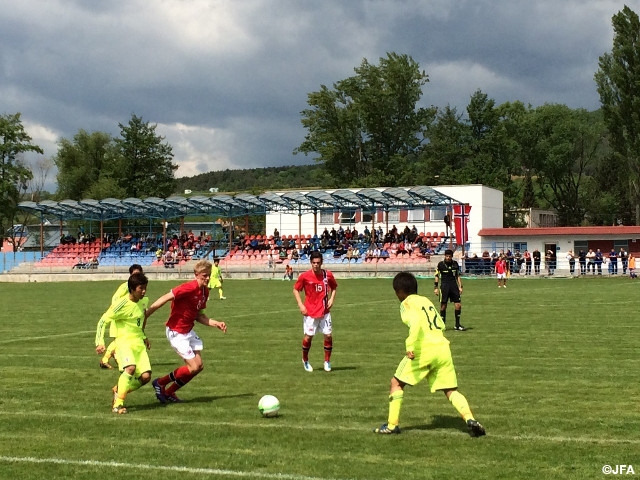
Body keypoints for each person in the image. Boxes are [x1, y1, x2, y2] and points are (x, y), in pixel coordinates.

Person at [373, 272, 486, 437]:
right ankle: (470, 419)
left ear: (400, 291)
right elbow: (440, 323)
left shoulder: (407, 303)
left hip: (423, 349)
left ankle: (391, 425)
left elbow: (415, 322)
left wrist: (410, 345)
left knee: (396, 383)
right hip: (442, 347)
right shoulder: (425, 301)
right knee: (450, 390)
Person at [146, 260, 228, 403]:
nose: (207, 278)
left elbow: (199, 315)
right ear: (196, 274)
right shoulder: (188, 287)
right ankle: (160, 382)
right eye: (204, 275)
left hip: (188, 330)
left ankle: (169, 392)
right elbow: (165, 298)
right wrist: (146, 314)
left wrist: (216, 323)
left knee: (199, 366)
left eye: (209, 275)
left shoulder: (205, 291)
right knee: (193, 367)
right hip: (176, 331)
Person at [94, 272, 151, 414]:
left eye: (145, 288)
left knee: (146, 377)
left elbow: (138, 323)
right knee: (130, 368)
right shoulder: (121, 304)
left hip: (138, 344)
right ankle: (118, 404)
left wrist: (144, 337)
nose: (144, 291)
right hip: (124, 342)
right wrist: (100, 342)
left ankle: (119, 390)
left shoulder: (143, 302)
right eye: (141, 288)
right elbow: (102, 321)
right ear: (132, 289)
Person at [293, 250, 338, 372]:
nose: (316, 265)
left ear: (321, 262)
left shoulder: (327, 275)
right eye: (314, 263)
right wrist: (301, 305)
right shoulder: (304, 276)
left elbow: (334, 287)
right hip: (310, 312)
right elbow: (296, 289)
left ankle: (327, 361)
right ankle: (305, 360)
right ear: (311, 263)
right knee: (308, 337)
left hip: (324, 311)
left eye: (318, 263)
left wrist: (332, 299)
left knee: (328, 335)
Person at [98, 264, 144, 369]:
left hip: (129, 316)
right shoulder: (125, 286)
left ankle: (108, 360)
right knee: (118, 340)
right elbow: (115, 298)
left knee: (120, 341)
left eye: (138, 274)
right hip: (121, 317)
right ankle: (115, 361)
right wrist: (119, 310)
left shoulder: (140, 288)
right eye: (134, 274)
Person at [434, 249, 465, 331]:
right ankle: (442, 325)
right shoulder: (440, 264)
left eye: (449, 256)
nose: (448, 258)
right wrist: (436, 288)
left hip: (454, 286)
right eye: (447, 256)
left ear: (452, 257)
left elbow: (457, 276)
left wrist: (460, 286)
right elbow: (437, 276)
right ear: (445, 256)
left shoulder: (455, 264)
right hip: (444, 286)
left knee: (458, 305)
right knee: (443, 306)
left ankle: (457, 325)